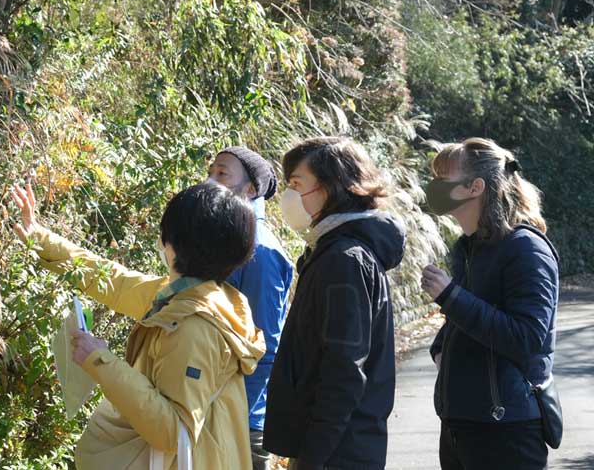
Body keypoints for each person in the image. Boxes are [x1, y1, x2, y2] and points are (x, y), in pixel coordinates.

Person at [11, 181, 265, 470]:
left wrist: (101, 361)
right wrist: (40, 237)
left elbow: (172, 430)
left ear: (174, 242)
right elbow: (114, 281)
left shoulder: (194, 326)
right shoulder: (190, 295)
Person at [263, 137, 405, 470]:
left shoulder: (344, 260)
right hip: (339, 447)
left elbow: (343, 371)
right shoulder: (334, 252)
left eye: (297, 184)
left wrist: (312, 460)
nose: (289, 196)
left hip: (338, 454)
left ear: (331, 187)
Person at [422, 137, 559, 470]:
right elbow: (466, 319)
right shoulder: (469, 248)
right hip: (460, 423)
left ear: (475, 187)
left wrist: (450, 296)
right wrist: (442, 348)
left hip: (506, 429)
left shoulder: (526, 249)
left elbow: (527, 337)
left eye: (444, 178)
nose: (434, 186)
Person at [207, 147, 294, 470]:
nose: (210, 180)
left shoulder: (259, 250)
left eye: (222, 174)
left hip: (240, 424)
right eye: (211, 171)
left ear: (251, 189)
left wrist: (235, 416)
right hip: (215, 412)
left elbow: (265, 345)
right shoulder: (226, 240)